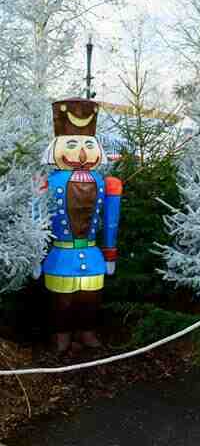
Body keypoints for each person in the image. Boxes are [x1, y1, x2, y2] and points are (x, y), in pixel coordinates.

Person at [32, 99, 123, 354]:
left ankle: (86, 331)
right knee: (62, 301)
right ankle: (61, 335)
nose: (82, 153)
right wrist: (35, 257)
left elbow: (112, 219)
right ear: (58, 147)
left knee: (90, 300)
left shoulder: (105, 182)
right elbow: (36, 218)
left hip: (92, 253)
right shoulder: (49, 181)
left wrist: (110, 251)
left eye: (88, 145)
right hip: (60, 254)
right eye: (72, 144)